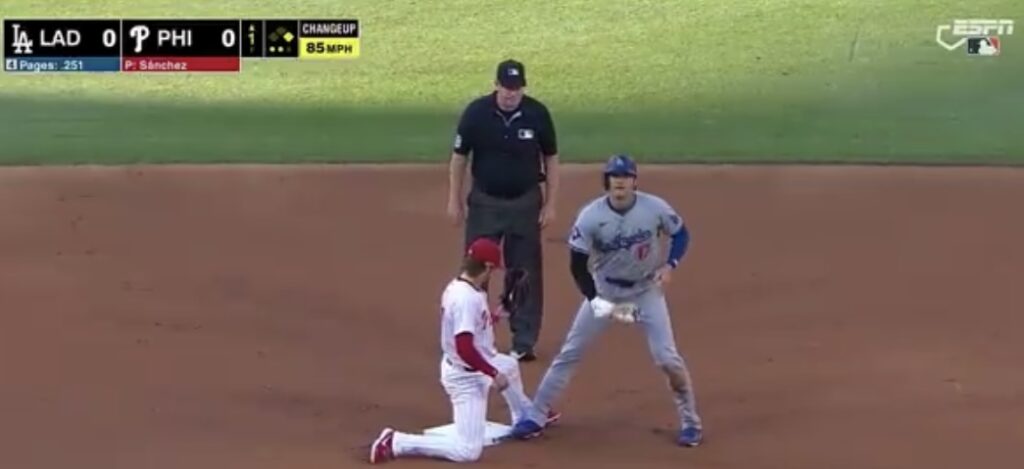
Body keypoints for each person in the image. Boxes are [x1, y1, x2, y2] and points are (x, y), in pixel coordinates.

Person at [507, 154, 705, 447]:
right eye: (615, 177)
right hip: (605, 290)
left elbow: (681, 234)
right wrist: (595, 300)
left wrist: (670, 265)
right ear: (607, 182)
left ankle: (691, 422)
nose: (620, 182)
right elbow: (577, 266)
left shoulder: (654, 208)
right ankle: (536, 415)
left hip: (646, 291)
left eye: (625, 177)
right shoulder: (590, 216)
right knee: (570, 353)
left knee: (667, 357)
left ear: (634, 181)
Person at [368, 237, 537, 464]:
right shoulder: (465, 298)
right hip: (466, 377)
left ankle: (526, 416)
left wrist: (499, 314)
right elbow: (464, 348)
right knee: (467, 451)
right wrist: (493, 373)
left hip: (474, 363)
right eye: (493, 269)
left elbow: (475, 324)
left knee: (510, 365)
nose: (493, 274)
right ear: (487, 266)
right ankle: (397, 442)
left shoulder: (465, 287)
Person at [445, 58, 560, 362]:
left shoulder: (537, 114)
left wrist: (550, 204)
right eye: (506, 87)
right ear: (496, 85)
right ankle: (471, 336)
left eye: (516, 88)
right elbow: (459, 157)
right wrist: (454, 199)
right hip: (486, 202)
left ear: (523, 87)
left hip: (525, 203)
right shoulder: (477, 113)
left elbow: (551, 158)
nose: (511, 93)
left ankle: (524, 341)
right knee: (475, 269)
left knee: (524, 272)